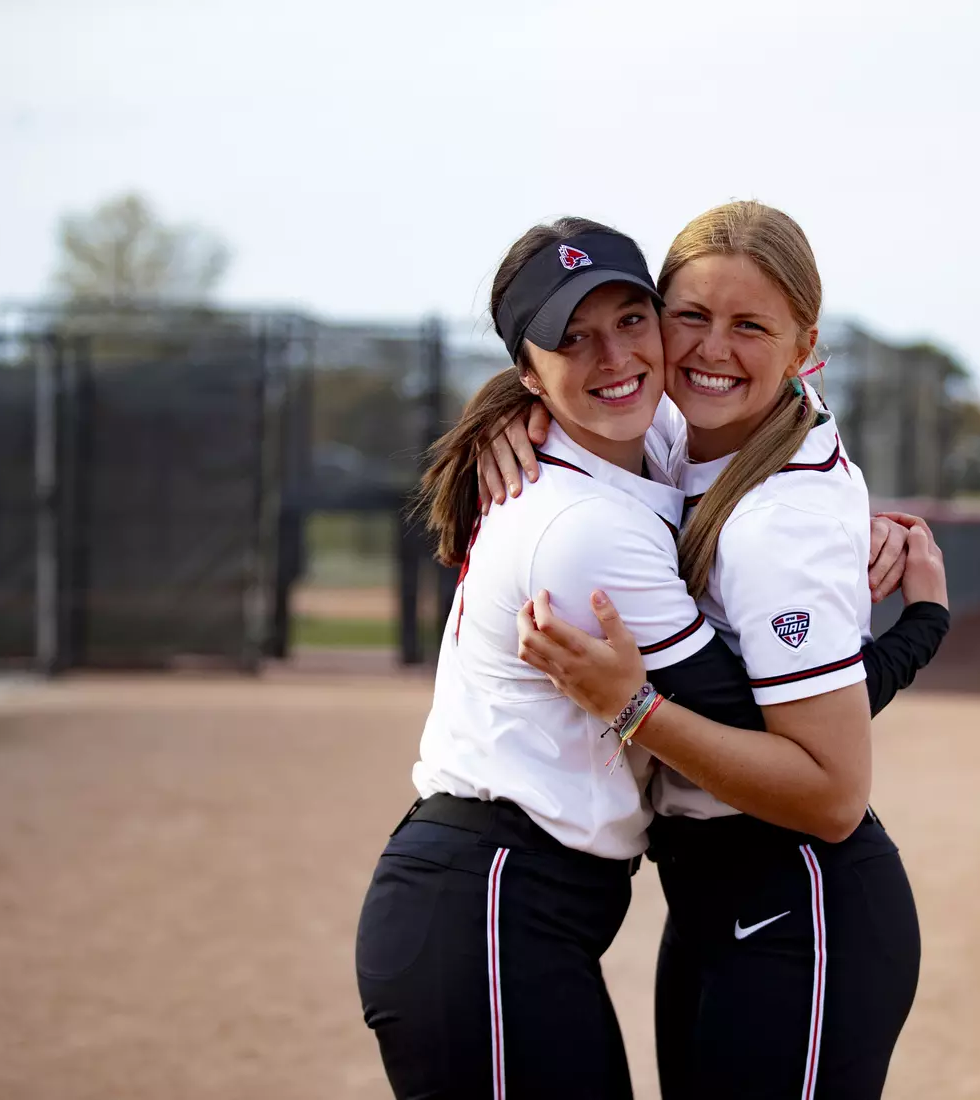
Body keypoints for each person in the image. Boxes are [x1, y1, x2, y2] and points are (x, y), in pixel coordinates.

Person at [354, 215, 946, 1100]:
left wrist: (917, 626)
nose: (628, 355)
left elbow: (822, 780)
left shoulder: (694, 469)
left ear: (803, 349)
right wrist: (915, 631)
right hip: (511, 898)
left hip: (779, 900)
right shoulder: (602, 505)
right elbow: (757, 722)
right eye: (688, 316)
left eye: (632, 320)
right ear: (528, 369)